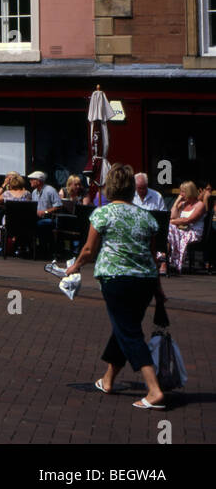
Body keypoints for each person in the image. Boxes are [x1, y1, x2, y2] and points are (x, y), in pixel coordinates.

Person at [64, 162, 167, 410]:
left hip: (116, 279)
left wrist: (74, 267)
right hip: (144, 282)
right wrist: (159, 290)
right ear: (132, 188)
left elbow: (89, 250)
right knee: (124, 328)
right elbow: (152, 258)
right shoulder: (147, 217)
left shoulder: (102, 214)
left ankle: (154, 390)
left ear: (110, 187)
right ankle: (108, 380)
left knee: (129, 333)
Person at [163, 182, 207, 276]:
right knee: (169, 229)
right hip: (181, 230)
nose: (181, 194)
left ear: (190, 192)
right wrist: (176, 202)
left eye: (183, 192)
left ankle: (166, 259)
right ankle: (166, 259)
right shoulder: (183, 204)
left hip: (193, 232)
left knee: (170, 228)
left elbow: (189, 220)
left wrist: (173, 221)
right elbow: (172, 216)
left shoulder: (200, 205)